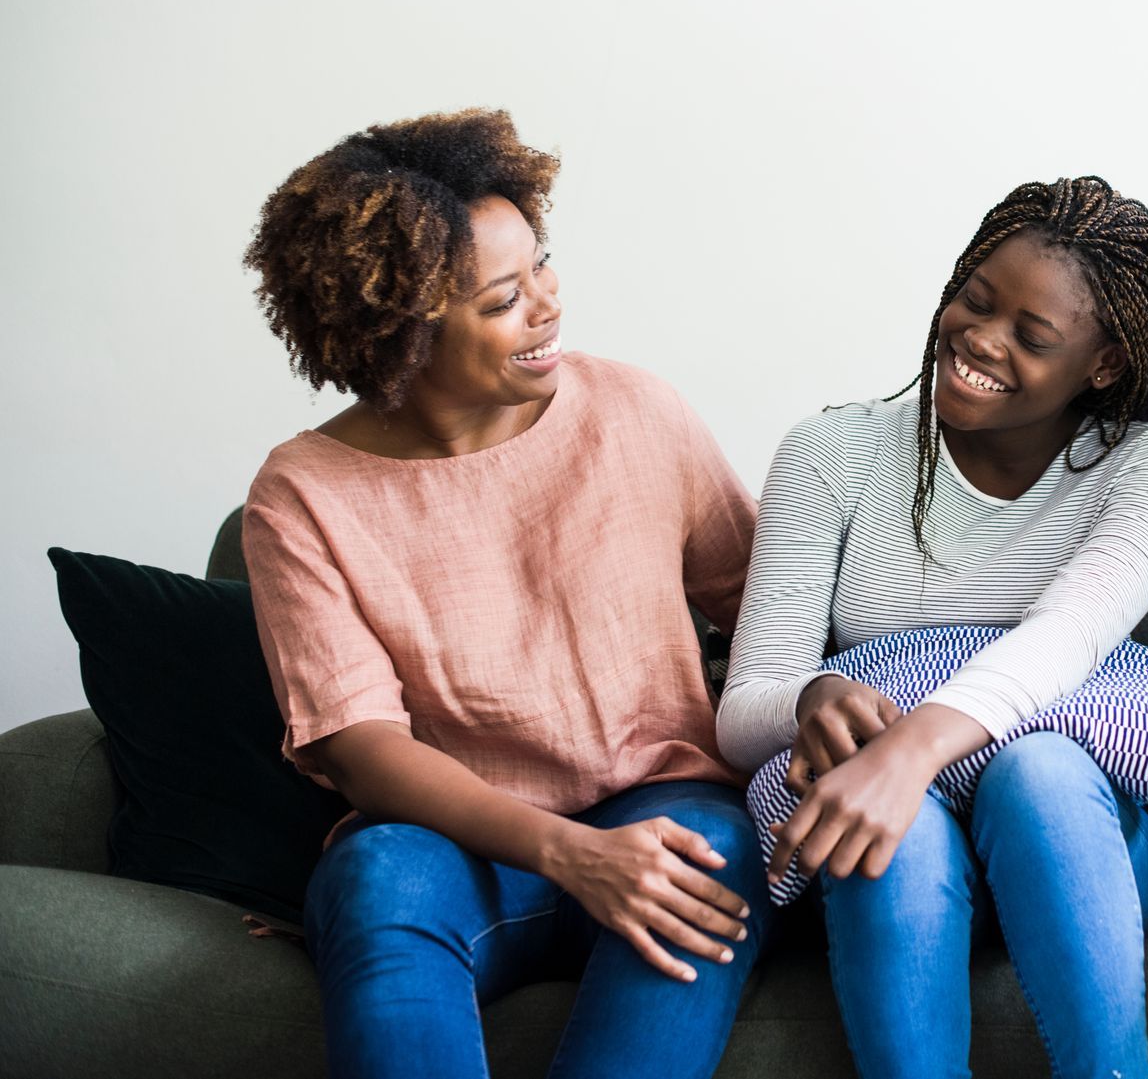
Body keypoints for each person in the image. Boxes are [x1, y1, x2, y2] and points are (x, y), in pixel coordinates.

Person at [240, 109, 769, 1079]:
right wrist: (570, 855)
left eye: (543, 267)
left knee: (708, 852)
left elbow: (771, 613)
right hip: (456, 849)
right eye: (501, 300)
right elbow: (364, 753)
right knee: (374, 874)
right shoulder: (301, 498)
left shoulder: (638, 413)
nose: (549, 305)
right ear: (401, 335)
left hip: (667, 807)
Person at [715, 176, 1148, 1079]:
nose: (980, 338)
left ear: (1101, 365)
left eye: (1033, 334)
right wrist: (813, 695)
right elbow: (743, 711)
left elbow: (1064, 639)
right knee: (890, 829)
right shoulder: (834, 453)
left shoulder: (1147, 471)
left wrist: (906, 753)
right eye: (974, 299)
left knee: (1042, 766)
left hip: (1076, 853)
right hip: (892, 853)